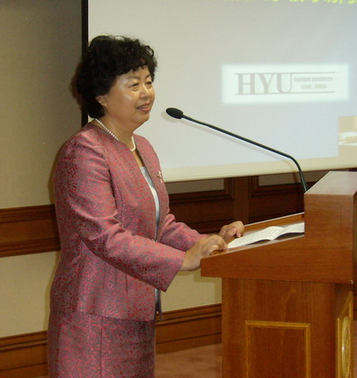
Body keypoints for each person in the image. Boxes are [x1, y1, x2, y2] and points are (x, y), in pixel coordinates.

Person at [48, 35, 244, 377]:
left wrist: (210, 243)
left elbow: (160, 224)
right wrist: (182, 259)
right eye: (133, 84)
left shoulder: (143, 147)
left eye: (149, 82)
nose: (146, 93)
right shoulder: (85, 151)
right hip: (94, 315)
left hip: (136, 309)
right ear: (101, 95)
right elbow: (105, 236)